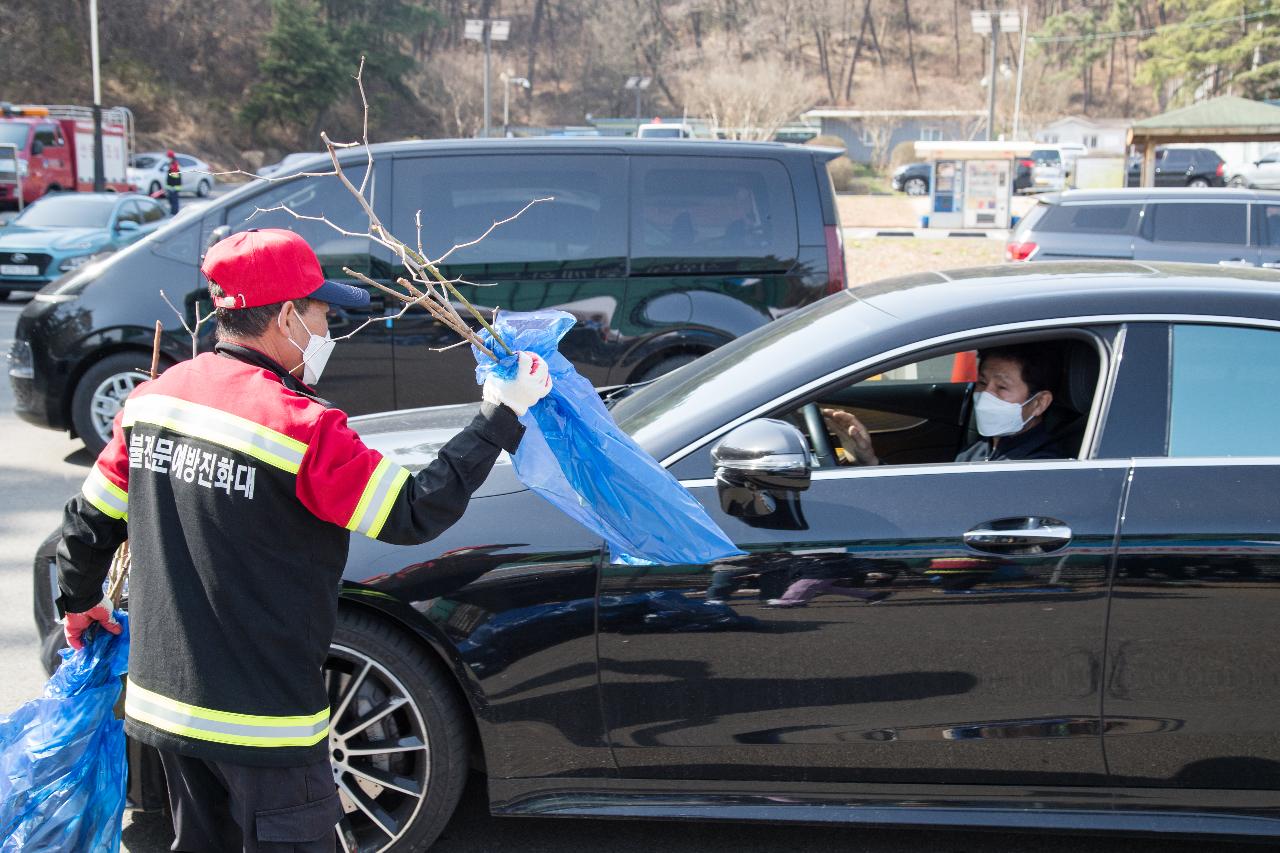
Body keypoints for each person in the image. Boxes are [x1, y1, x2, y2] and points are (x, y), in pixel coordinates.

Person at [55, 228, 552, 853]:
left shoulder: (155, 400)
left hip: (164, 714)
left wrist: (79, 604)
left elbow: (88, 521)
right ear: (287, 315)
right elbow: (411, 512)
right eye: (322, 313)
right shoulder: (299, 427)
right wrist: (499, 416)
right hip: (263, 727)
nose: (328, 330)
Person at [823, 344, 1062, 466]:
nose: (985, 395)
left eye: (1001, 388)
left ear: (1039, 403)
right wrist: (868, 461)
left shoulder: (1038, 466)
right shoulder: (981, 450)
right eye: (981, 383)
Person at [165, 149, 182, 215]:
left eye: (168, 157)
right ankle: (174, 213)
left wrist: (172, 187)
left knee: (174, 202)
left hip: (174, 187)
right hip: (171, 187)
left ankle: (175, 215)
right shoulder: (172, 164)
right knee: (172, 201)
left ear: (171, 157)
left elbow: (175, 177)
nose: (167, 158)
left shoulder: (174, 164)